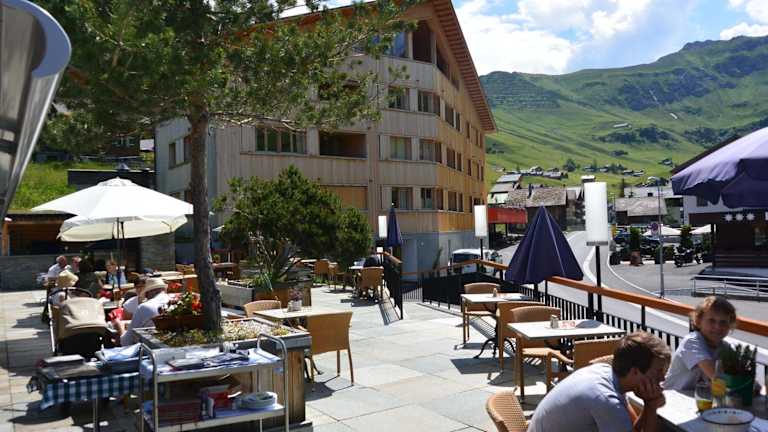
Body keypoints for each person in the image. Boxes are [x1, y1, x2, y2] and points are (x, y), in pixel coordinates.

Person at [528, 331, 670, 432]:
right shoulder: (606, 399)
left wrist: (649, 405)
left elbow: (632, 428)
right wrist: (651, 406)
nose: (662, 378)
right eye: (658, 371)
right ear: (635, 372)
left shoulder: (605, 373)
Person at [664, 296, 735, 391]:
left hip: (696, 397)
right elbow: (715, 375)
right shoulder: (692, 342)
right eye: (711, 321)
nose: (717, 327)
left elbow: (737, 373)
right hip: (671, 396)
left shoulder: (725, 348)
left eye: (723, 322)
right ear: (698, 321)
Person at [113, 278, 169, 346]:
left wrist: (120, 327)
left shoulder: (144, 307)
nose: (146, 297)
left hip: (150, 348)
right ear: (164, 290)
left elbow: (126, 342)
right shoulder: (176, 302)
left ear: (149, 292)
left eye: (146, 294)